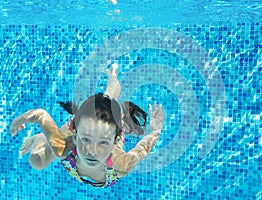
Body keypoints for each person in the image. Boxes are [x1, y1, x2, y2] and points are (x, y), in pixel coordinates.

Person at [10, 63, 165, 188]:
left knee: (109, 99)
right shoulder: (65, 147)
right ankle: (42, 138)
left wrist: (156, 131)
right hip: (79, 129)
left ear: (115, 141)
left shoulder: (120, 164)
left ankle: (113, 74)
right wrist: (17, 122)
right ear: (76, 137)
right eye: (86, 141)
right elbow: (40, 115)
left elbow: (142, 150)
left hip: (97, 131)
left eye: (104, 143)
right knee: (36, 160)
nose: (92, 151)